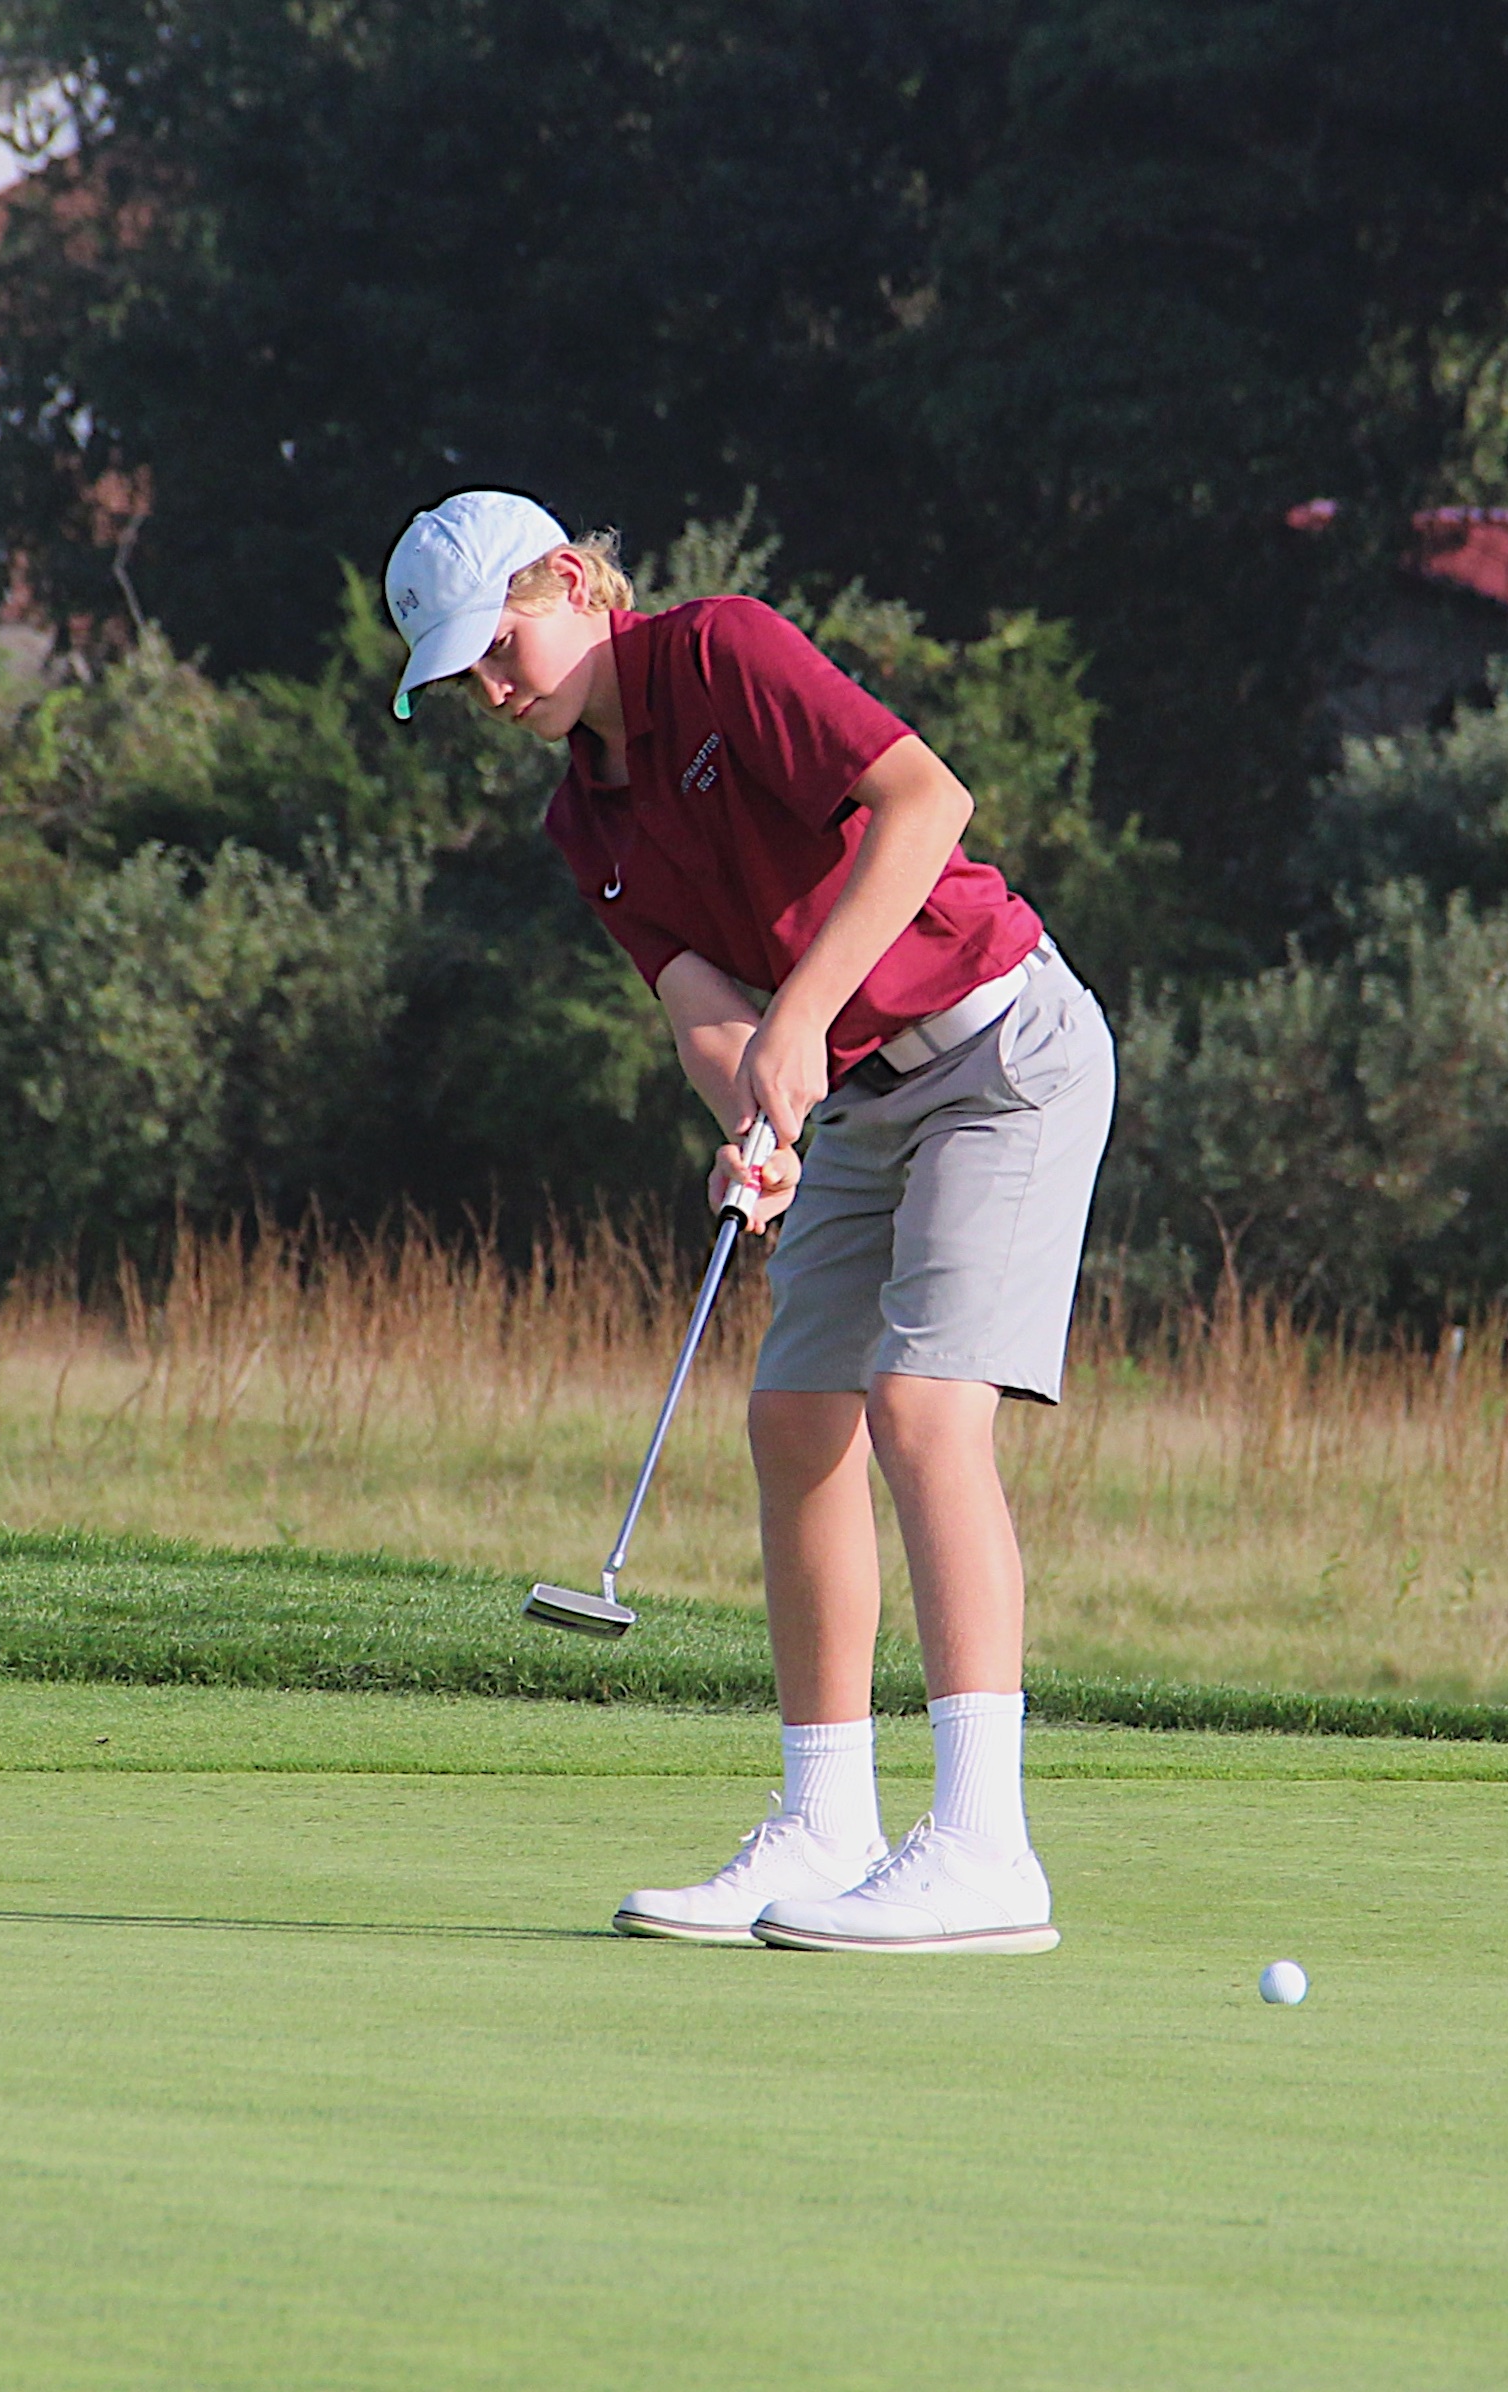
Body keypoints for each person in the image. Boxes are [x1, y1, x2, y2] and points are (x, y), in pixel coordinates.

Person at [384, 489, 1115, 1953]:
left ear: (579, 584)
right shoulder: (578, 815)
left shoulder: (723, 652)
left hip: (1003, 1058)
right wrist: (757, 1129)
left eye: (502, 642)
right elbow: (700, 1013)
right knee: (795, 1420)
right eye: (464, 671)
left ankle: (986, 1849)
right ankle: (826, 1822)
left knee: (919, 1406)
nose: (494, 685)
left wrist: (800, 1023)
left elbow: (928, 807)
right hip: (856, 1104)